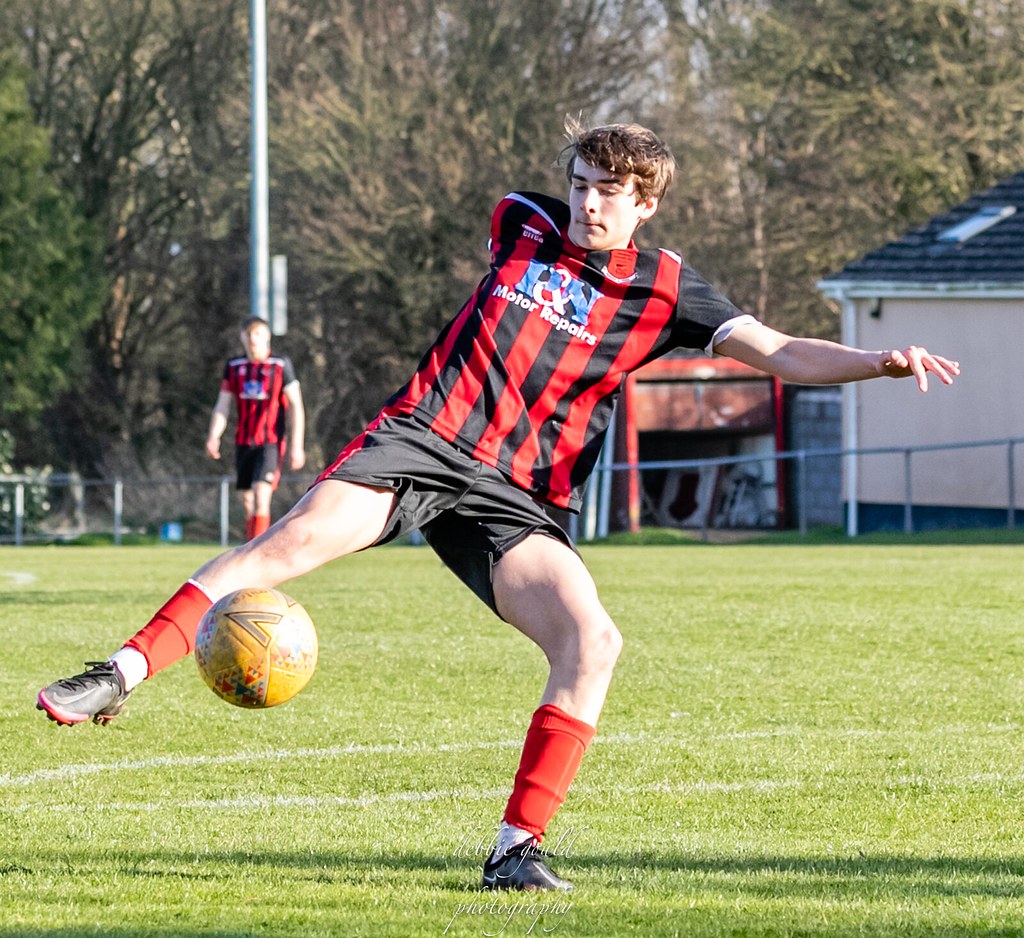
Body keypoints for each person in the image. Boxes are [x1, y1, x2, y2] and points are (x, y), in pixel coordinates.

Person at [36, 118, 959, 891]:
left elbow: (785, 352)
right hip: (427, 438)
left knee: (592, 638)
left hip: (516, 496)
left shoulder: (668, 288)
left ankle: (516, 850)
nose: (588, 202)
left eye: (610, 192)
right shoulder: (517, 223)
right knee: (290, 543)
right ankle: (115, 673)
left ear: (646, 204)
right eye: (581, 183)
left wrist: (880, 361)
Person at [205, 316, 306, 541]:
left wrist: (297, 446)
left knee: (262, 493)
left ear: (267, 336)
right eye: (249, 334)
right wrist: (214, 436)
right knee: (247, 501)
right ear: (242, 337)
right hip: (243, 441)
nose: (253, 339)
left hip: (270, 441)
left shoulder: (280, 365)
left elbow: (296, 407)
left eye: (258, 334)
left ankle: (257, 553)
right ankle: (253, 543)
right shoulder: (234, 367)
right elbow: (222, 405)